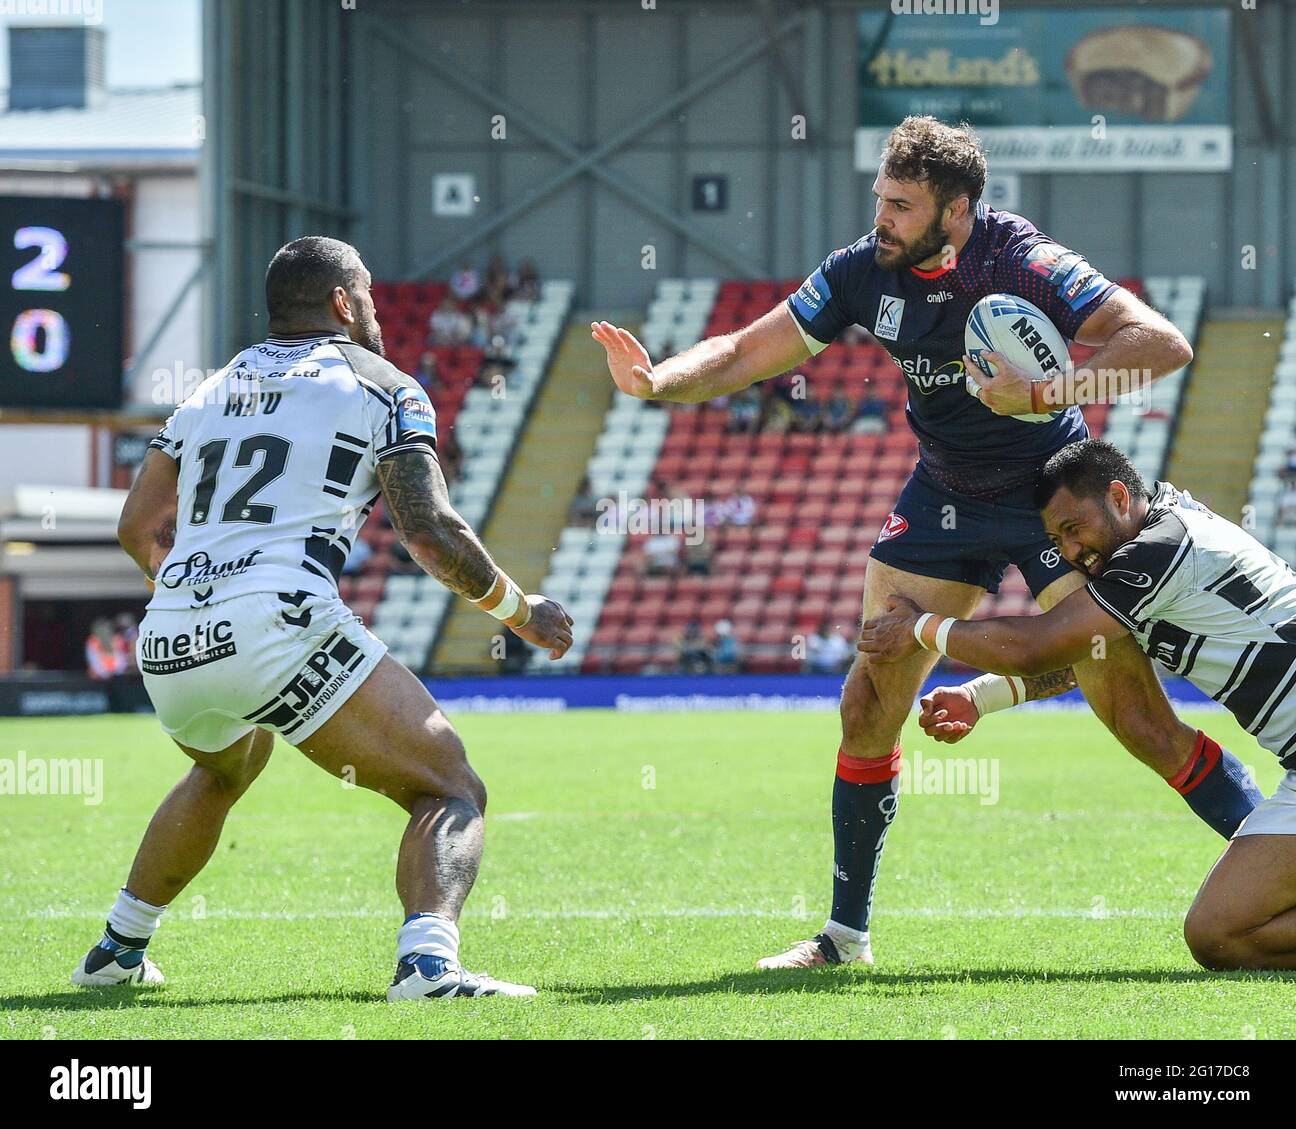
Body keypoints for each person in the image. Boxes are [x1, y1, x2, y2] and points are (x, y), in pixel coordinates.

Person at [592, 114, 1230, 974]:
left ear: (958, 210)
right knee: (866, 700)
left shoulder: (1022, 259)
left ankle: (1281, 859)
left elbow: (1162, 343)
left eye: (901, 204)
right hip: (942, 496)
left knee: (1142, 720)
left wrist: (1048, 388)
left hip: (1055, 494)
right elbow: (750, 350)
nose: (881, 218)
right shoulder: (863, 269)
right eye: (879, 199)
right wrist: (661, 380)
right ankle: (844, 936)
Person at [74, 236, 573, 1001]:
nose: (373, 308)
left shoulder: (208, 389)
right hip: (276, 620)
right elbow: (429, 532)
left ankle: (117, 947)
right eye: (367, 293)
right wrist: (521, 610)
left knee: (225, 765)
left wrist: (191, 593)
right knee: (449, 784)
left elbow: (137, 525)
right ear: (344, 302)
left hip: (170, 633)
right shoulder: (385, 385)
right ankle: (428, 966)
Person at [858, 440, 1281, 969]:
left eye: (1074, 528)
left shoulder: (1160, 549)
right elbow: (1085, 652)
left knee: (1224, 933)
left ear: (1119, 496)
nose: (1071, 551)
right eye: (1057, 540)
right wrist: (979, 696)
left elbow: (1041, 647)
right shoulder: (1165, 532)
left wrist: (920, 628)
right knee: (1221, 936)